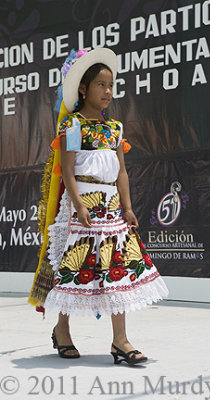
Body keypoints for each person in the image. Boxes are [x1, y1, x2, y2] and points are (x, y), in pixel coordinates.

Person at [28, 47, 169, 365]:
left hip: (112, 208)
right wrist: (77, 205)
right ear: (83, 89)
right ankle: (62, 330)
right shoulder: (73, 126)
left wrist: (128, 207)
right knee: (74, 267)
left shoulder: (115, 128)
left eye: (110, 85)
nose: (107, 91)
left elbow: (121, 171)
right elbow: (67, 168)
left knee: (116, 270)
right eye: (100, 85)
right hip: (84, 208)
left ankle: (120, 340)